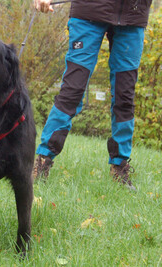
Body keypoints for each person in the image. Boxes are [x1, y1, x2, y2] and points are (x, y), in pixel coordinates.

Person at [32, 0, 153, 190]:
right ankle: (43, 160)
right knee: (72, 91)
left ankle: (120, 167)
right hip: (89, 10)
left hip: (134, 14)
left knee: (125, 97)